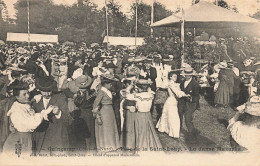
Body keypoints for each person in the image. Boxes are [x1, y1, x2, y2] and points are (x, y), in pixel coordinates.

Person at [3, 80, 53, 157]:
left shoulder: (23, 104)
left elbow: (28, 106)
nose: (27, 96)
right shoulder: (16, 110)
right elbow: (31, 124)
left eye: (28, 93)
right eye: (24, 94)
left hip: (27, 137)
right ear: (17, 97)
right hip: (20, 139)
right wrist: (44, 113)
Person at [32, 76, 71, 155]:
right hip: (41, 142)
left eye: (49, 91)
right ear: (39, 90)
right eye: (44, 91)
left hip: (58, 140)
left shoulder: (60, 99)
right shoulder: (35, 101)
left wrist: (58, 113)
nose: (46, 94)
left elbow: (68, 121)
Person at [125, 79, 162, 151]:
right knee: (148, 130)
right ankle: (148, 145)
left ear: (139, 87)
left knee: (140, 131)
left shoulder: (137, 96)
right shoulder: (151, 95)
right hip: (148, 115)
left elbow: (125, 95)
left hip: (140, 115)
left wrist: (129, 87)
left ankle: (141, 146)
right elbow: (150, 91)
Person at [92, 74, 121, 153]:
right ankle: (106, 146)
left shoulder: (108, 91)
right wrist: (97, 115)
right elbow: (95, 104)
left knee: (111, 128)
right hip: (104, 111)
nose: (111, 85)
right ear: (106, 84)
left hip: (110, 111)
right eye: (110, 84)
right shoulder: (101, 91)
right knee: (106, 129)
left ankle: (112, 145)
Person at [156, 71, 190, 139]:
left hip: (173, 101)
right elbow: (176, 91)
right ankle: (173, 133)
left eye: (176, 76)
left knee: (167, 116)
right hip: (171, 102)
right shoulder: (171, 84)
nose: (176, 77)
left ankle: (164, 129)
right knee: (174, 117)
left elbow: (178, 90)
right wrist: (184, 95)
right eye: (174, 76)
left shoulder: (175, 83)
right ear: (170, 77)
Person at [178, 67, 200, 143]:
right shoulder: (182, 82)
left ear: (191, 75)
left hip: (190, 104)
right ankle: (179, 132)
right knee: (179, 116)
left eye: (189, 74)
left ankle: (192, 135)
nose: (187, 76)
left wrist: (191, 98)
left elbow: (197, 96)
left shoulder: (195, 84)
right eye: (186, 74)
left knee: (188, 119)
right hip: (182, 102)